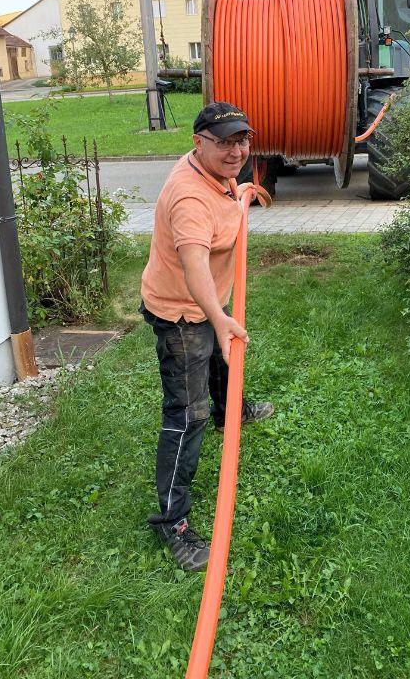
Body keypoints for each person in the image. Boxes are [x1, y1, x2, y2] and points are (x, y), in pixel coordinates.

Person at [140, 102, 274, 572]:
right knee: (185, 414)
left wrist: (242, 194)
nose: (237, 150)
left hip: (207, 306)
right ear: (199, 143)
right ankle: (171, 524)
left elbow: (228, 184)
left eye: (243, 140)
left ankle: (231, 411)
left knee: (222, 363)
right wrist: (218, 319)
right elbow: (195, 264)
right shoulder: (189, 198)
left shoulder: (218, 172)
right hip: (182, 314)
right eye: (225, 142)